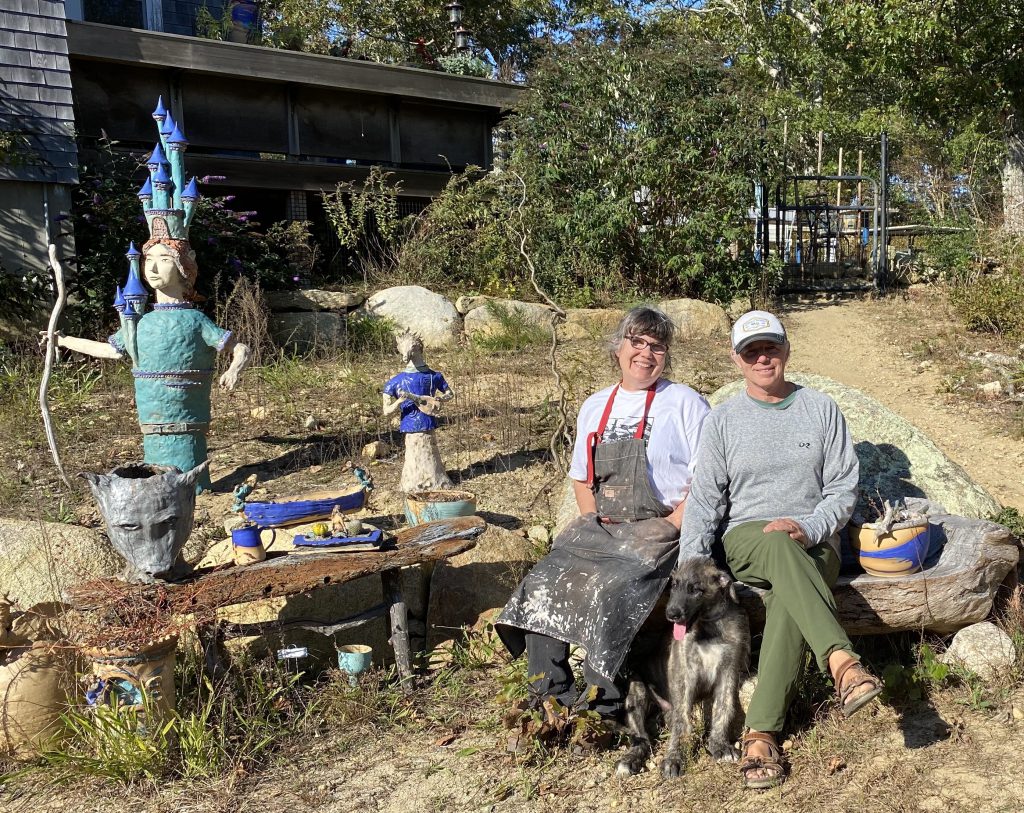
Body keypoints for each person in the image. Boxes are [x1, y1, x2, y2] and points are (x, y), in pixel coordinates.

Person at [677, 309, 883, 790]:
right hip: (749, 539)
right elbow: (706, 498)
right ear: (737, 359)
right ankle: (843, 663)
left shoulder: (821, 409)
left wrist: (810, 527)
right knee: (774, 540)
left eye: (770, 347)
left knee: (790, 599)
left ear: (787, 350)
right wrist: (691, 568)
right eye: (752, 351)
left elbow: (842, 490)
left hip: (813, 543)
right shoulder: (724, 420)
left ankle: (760, 734)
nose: (763, 357)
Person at [497, 306, 710, 744]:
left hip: (659, 529)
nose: (646, 353)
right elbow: (581, 477)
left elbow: (708, 479)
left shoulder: (684, 402)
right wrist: (592, 521)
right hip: (603, 526)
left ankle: (604, 707)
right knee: (542, 581)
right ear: (618, 347)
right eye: (637, 342)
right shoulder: (596, 405)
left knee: (613, 590)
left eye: (657, 346)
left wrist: (673, 522)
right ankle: (552, 698)